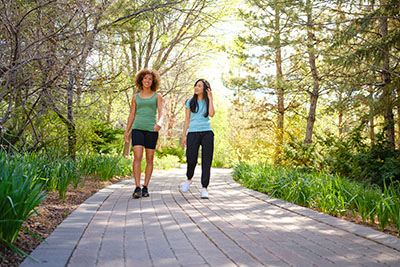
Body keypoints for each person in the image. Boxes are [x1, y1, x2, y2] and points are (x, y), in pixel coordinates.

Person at [124, 69, 164, 198]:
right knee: (137, 157)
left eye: (150, 79)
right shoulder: (135, 97)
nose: (147, 81)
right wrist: (127, 131)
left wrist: (160, 123)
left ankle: (145, 186)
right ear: (141, 80)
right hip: (137, 128)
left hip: (152, 130)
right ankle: (137, 187)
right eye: (145, 78)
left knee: (149, 159)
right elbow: (132, 114)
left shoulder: (157, 96)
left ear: (153, 81)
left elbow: (162, 113)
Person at [181, 79, 215, 199]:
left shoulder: (207, 101)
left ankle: (204, 188)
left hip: (207, 132)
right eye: (195, 85)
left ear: (205, 89)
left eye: (199, 86)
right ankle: (189, 179)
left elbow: (211, 114)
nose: (196, 88)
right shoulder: (190, 102)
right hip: (193, 133)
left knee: (206, 161)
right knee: (191, 159)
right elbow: (187, 120)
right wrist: (184, 135)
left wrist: (210, 98)